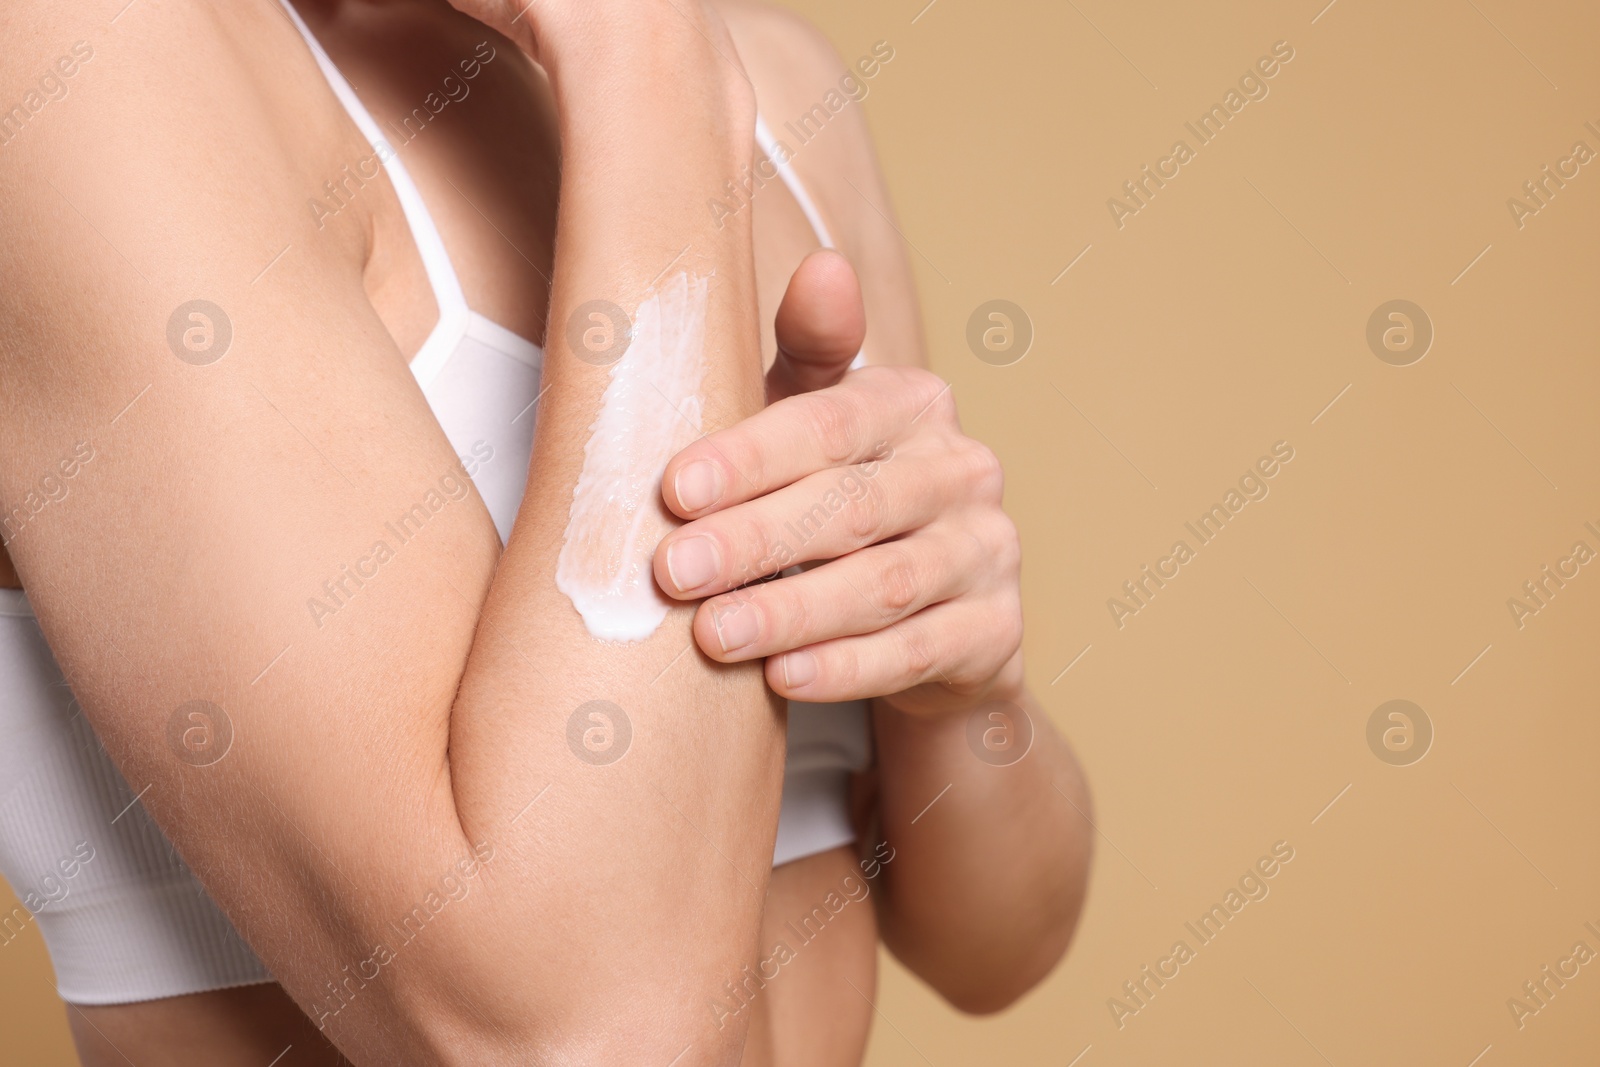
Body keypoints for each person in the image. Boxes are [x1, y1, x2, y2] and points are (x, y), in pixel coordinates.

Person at [0, 0, 1092, 1063]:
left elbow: (995, 947)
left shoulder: (775, 81)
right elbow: (581, 1034)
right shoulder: (81, 58)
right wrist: (639, 52)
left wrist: (962, 691)